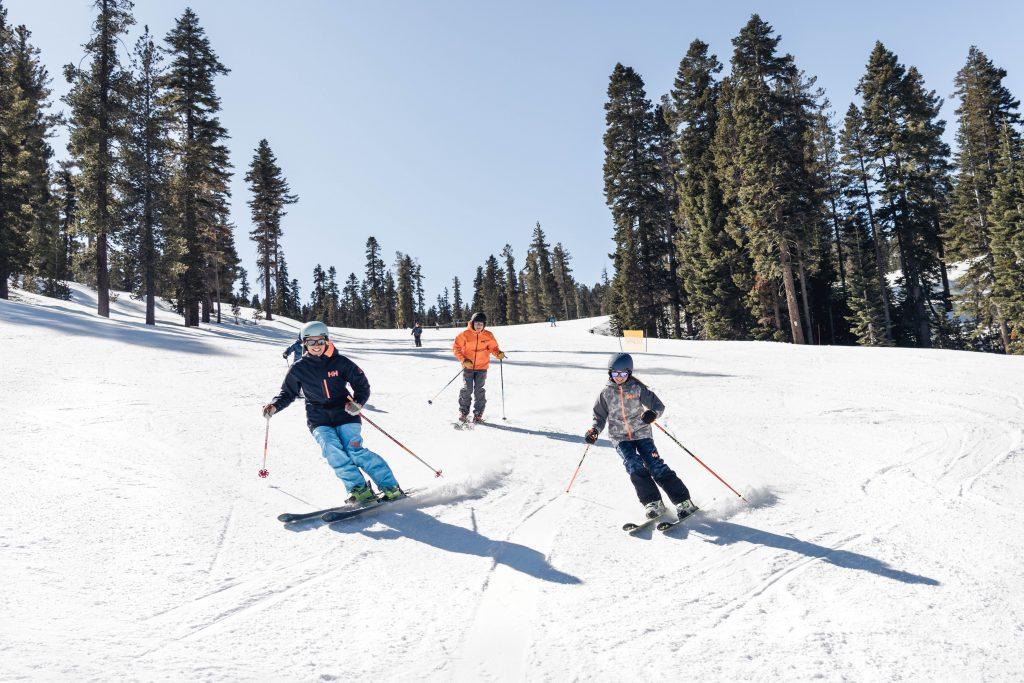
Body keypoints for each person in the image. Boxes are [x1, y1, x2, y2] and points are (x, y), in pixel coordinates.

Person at [262, 321, 404, 503]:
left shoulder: (341, 362)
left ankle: (390, 485)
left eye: (320, 341)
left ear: (327, 341)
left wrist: (358, 402)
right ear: (304, 343)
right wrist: (274, 406)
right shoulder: (299, 368)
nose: (316, 346)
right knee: (332, 450)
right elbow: (287, 393)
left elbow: (361, 384)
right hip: (318, 417)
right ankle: (359, 489)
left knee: (354, 451)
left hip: (345, 412)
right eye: (311, 342)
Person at [584, 353, 697, 521]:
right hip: (619, 436)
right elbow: (599, 416)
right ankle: (653, 503)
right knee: (633, 464)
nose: (619, 377)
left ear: (629, 373)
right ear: (610, 373)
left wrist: (652, 414)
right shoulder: (605, 393)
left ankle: (683, 501)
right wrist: (594, 430)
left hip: (642, 433)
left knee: (655, 464)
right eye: (615, 373)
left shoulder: (637, 388)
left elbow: (658, 405)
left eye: (623, 374)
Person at [452, 311, 505, 423]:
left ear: (484, 324)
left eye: (481, 324)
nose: (478, 326)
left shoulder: (488, 335)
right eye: (476, 323)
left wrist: (498, 353)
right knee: (468, 389)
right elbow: (456, 348)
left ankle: (478, 413)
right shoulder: (465, 334)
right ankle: (463, 412)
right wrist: (463, 360)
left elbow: (493, 348)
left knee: (478, 391)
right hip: (468, 367)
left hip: (482, 368)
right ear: (472, 323)